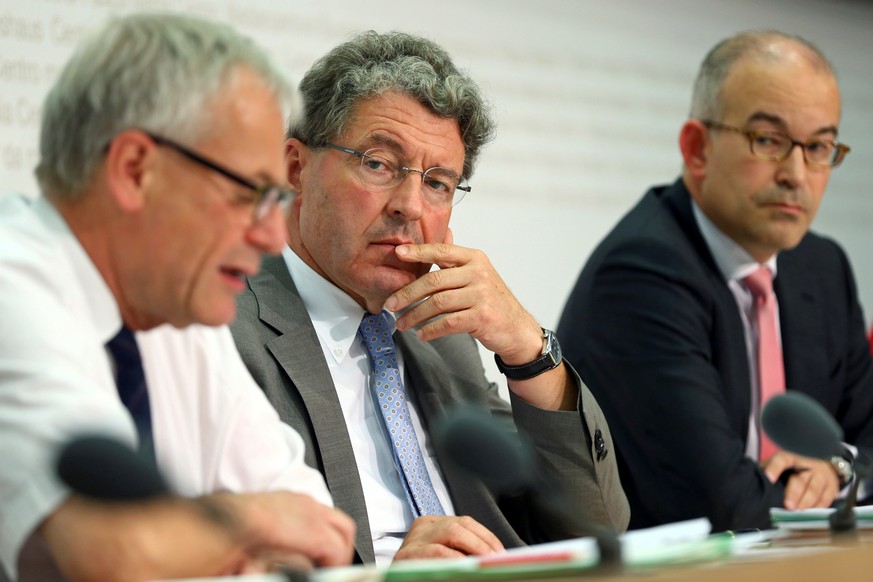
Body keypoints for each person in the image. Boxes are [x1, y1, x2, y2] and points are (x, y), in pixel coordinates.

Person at [229, 30, 629, 566]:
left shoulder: (436, 332)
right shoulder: (223, 331)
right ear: (295, 168)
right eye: (378, 163)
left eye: (438, 182)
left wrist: (529, 348)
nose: (410, 206)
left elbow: (598, 523)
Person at [0, 12, 355, 581]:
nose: (270, 236)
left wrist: (201, 535)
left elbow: (316, 532)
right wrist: (249, 520)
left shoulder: (178, 313)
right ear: (136, 169)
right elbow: (114, 558)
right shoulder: (11, 288)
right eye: (251, 195)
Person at [557, 30, 873, 532]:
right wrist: (830, 493)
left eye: (819, 146)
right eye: (768, 140)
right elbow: (722, 504)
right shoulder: (641, 274)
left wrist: (835, 468)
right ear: (696, 147)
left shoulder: (822, 266)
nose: (796, 173)